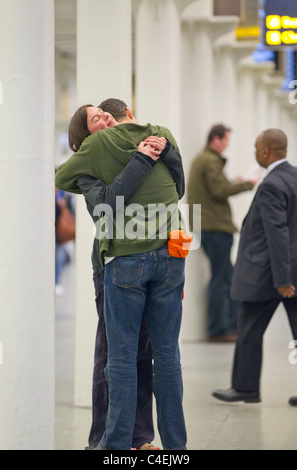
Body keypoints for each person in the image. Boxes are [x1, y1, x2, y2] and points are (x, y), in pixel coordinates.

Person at [56, 99, 187, 450]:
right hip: (156, 259)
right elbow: (109, 205)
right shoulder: (107, 152)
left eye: (104, 113)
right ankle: (152, 444)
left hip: (134, 261)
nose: (105, 118)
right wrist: (144, 159)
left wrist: (157, 156)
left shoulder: (143, 139)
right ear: (84, 138)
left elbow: (176, 187)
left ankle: (124, 442)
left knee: (128, 356)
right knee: (143, 355)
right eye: (95, 119)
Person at [212, 128, 297, 403]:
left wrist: (282, 277)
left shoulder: (272, 183)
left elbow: (277, 231)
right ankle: (244, 387)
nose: (254, 153)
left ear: (264, 152)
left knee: (248, 326)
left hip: (269, 273)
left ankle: (245, 388)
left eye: (255, 149)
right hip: (289, 267)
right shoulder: (293, 177)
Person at [188, 124, 256, 342]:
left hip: (207, 225)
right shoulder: (209, 161)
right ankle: (219, 329)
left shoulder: (204, 160)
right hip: (214, 227)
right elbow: (220, 191)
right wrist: (248, 184)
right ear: (215, 140)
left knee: (224, 276)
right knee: (223, 278)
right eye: (226, 140)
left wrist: (232, 183)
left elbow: (216, 187)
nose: (227, 145)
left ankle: (226, 326)